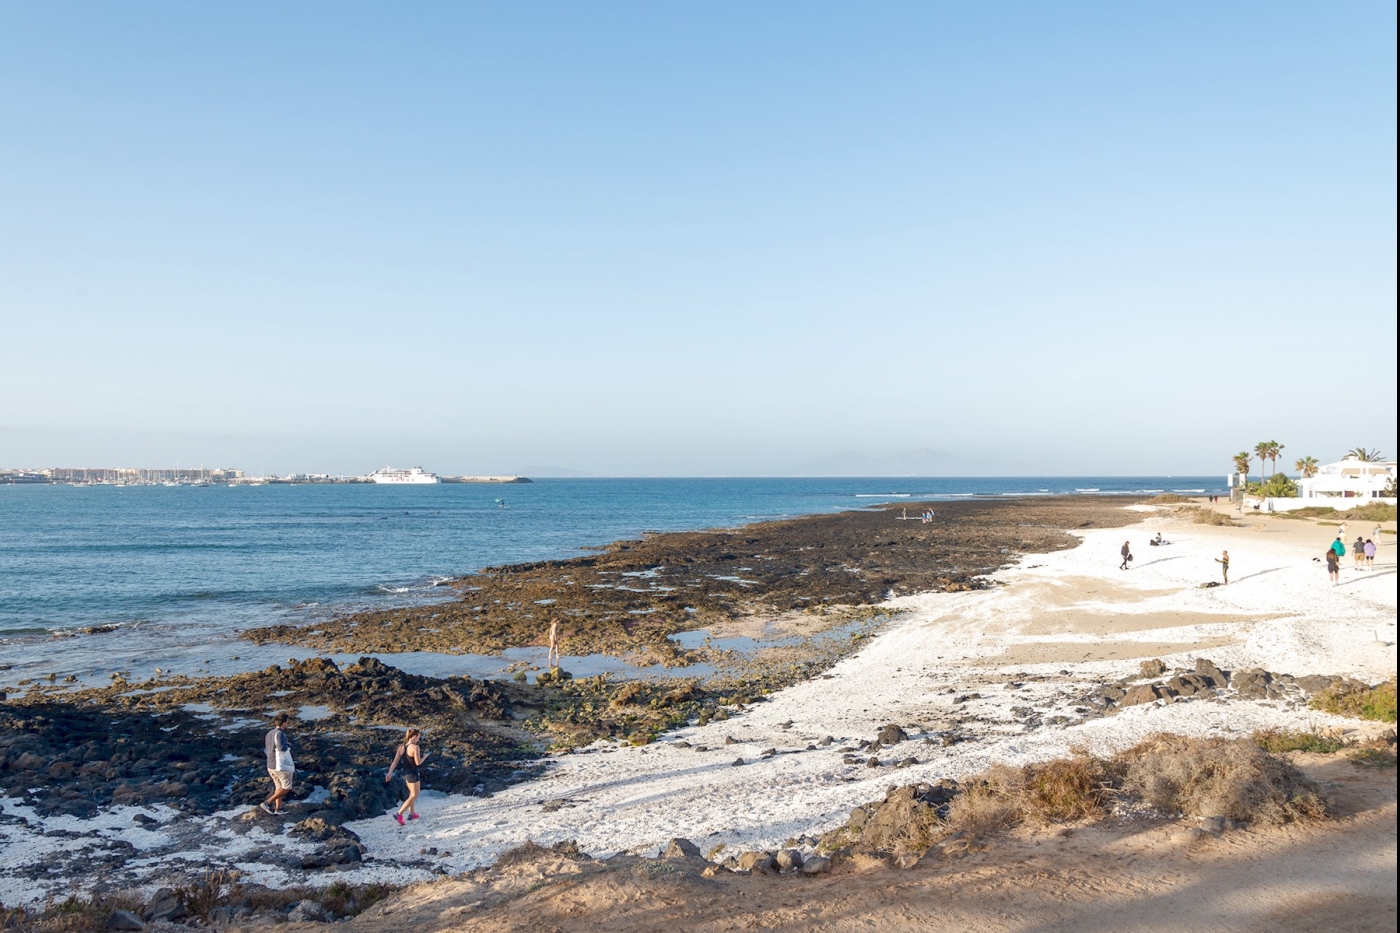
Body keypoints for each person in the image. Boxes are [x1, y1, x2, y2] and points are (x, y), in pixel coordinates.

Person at [386, 727, 430, 825]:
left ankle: (412, 813)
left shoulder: (402, 746)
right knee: (414, 795)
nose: (419, 739)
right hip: (413, 774)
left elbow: (395, 761)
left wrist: (389, 773)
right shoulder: (415, 747)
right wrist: (425, 757)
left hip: (405, 774)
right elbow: (418, 763)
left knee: (411, 794)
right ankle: (399, 813)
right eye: (418, 736)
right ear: (414, 736)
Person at [261, 713, 294, 815]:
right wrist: (289, 745)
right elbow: (282, 748)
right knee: (287, 787)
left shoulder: (269, 734)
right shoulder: (280, 734)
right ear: (284, 723)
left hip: (270, 765)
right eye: (287, 722)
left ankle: (278, 809)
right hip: (279, 766)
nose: (287, 724)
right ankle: (267, 803)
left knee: (279, 787)